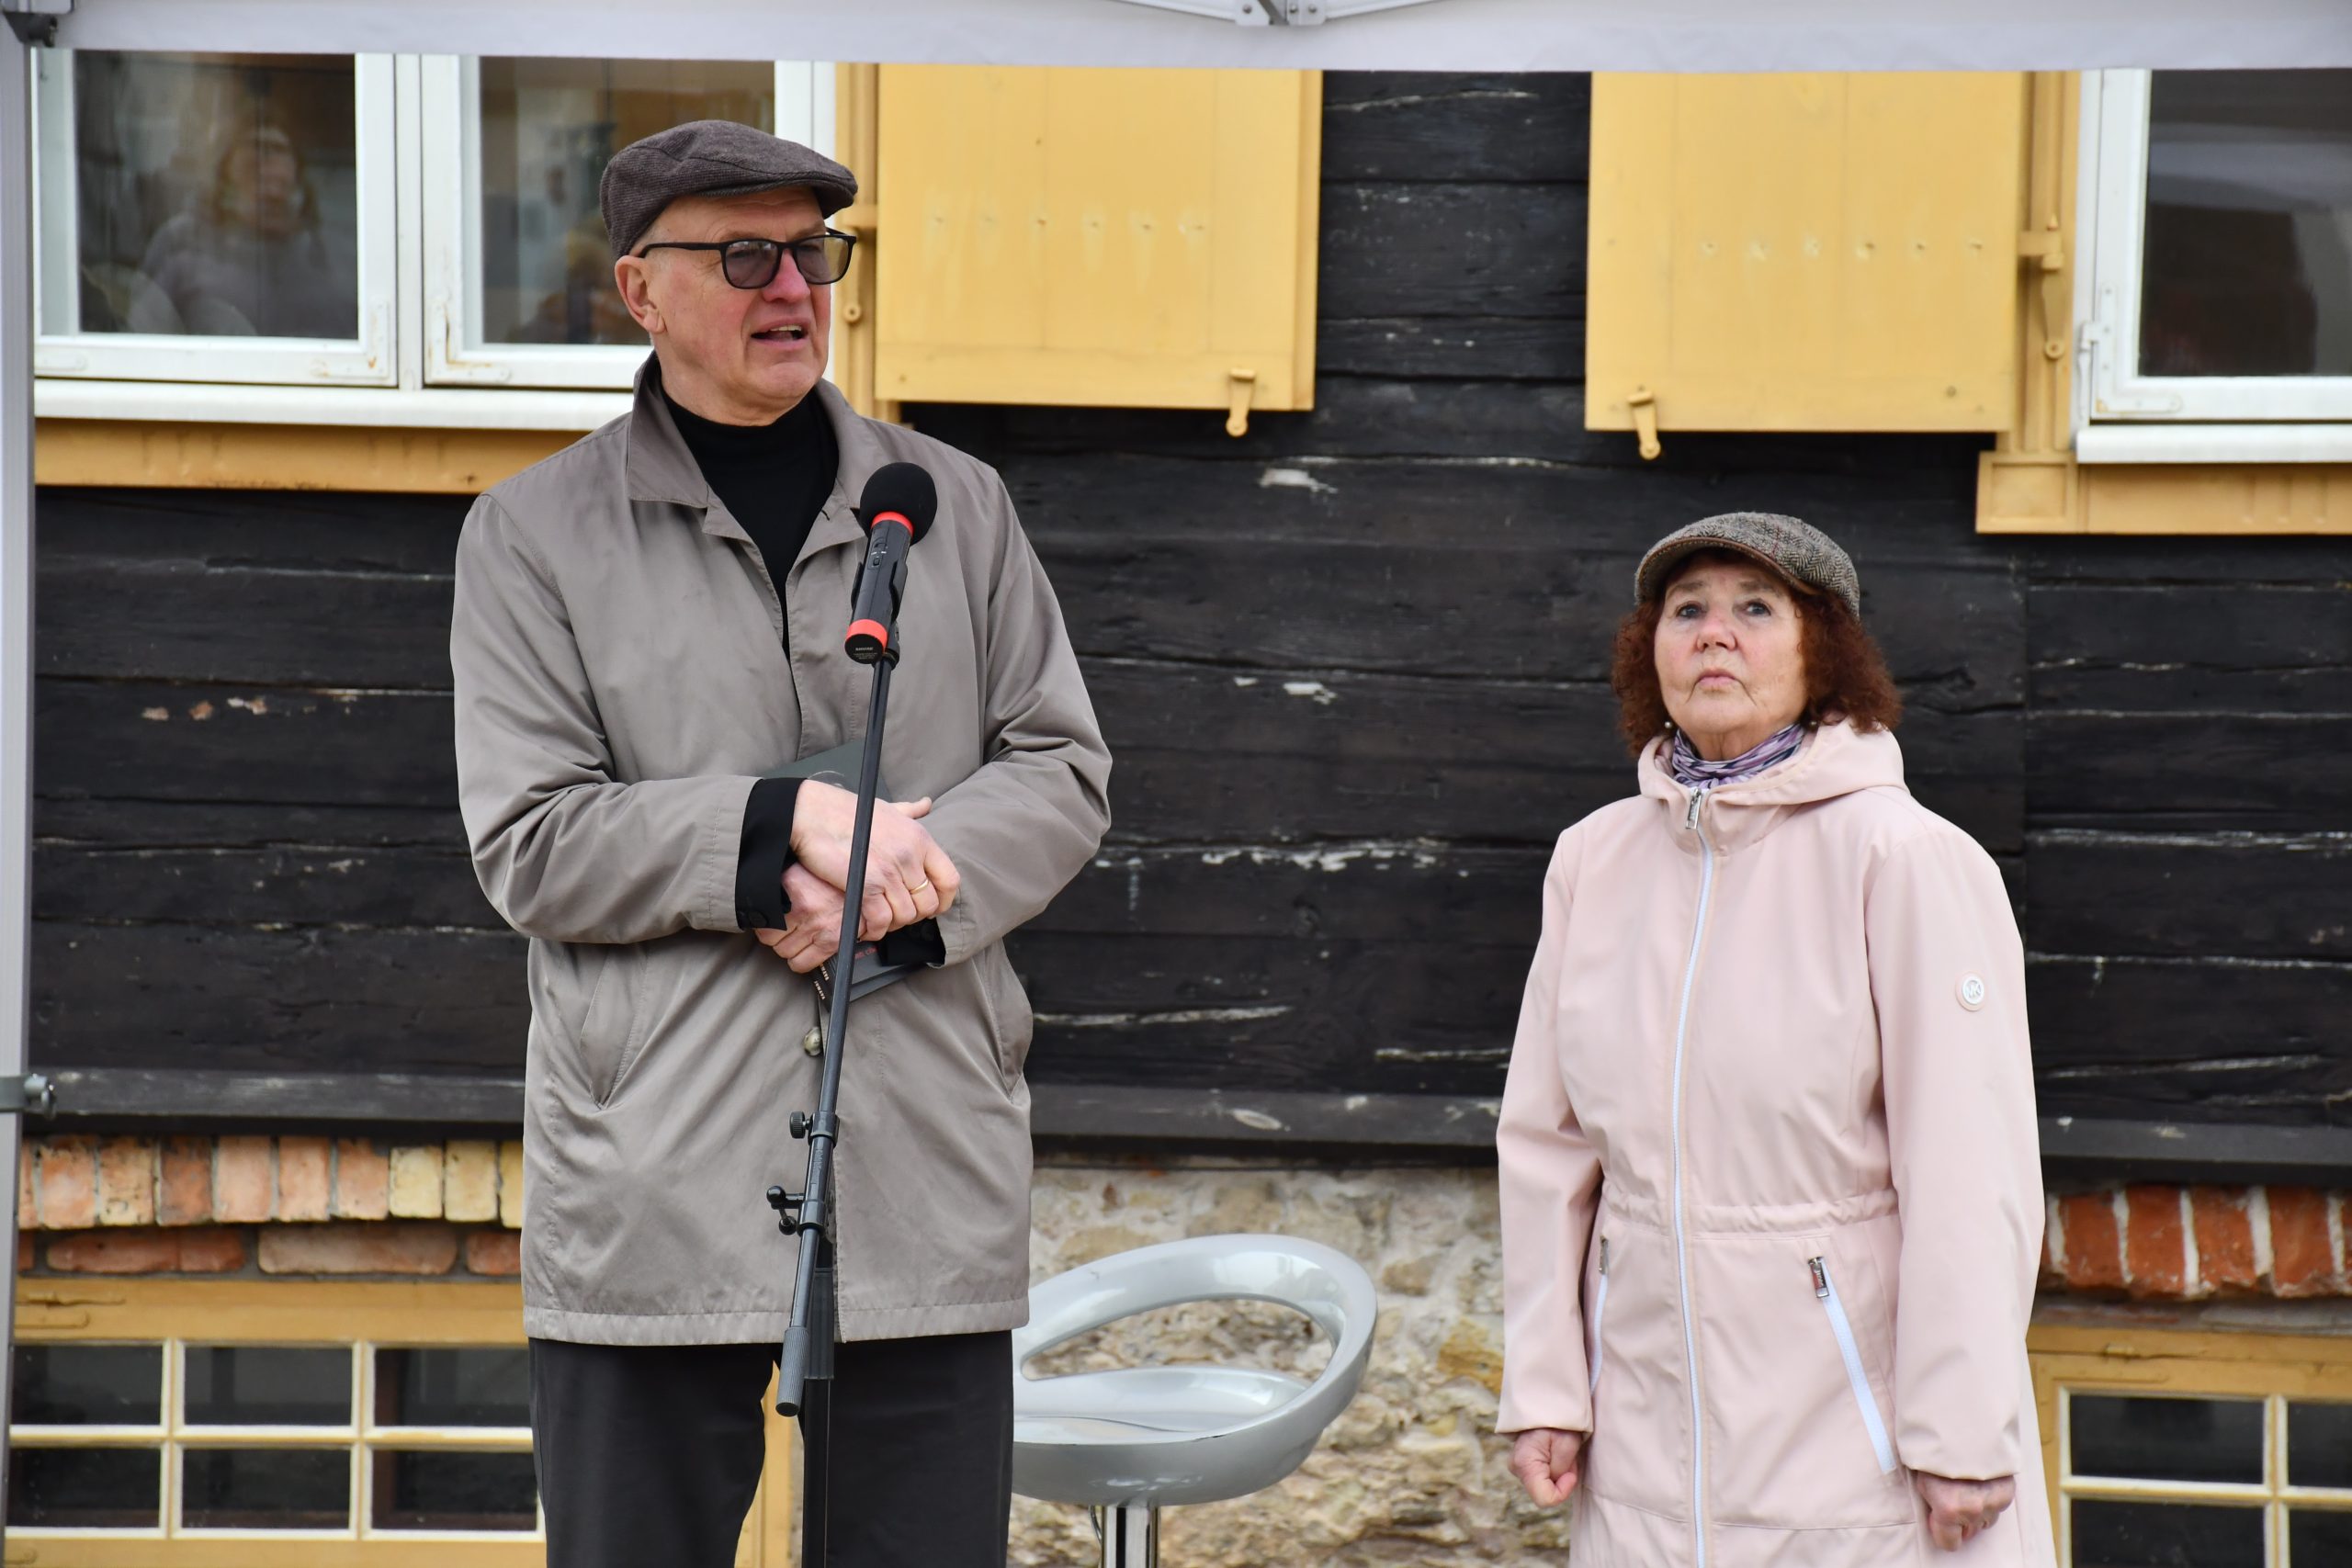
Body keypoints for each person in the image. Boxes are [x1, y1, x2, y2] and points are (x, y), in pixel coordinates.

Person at [449, 120, 1111, 1568]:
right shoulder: (533, 534)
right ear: (641, 288)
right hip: (651, 1164)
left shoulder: (951, 504)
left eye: (814, 252)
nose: (795, 287)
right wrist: (781, 821)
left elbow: (1062, 767)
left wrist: (890, 892)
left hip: (920, 1149)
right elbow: (532, 838)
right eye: (746, 256)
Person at [1494, 513, 2054, 1567]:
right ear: (1648, 651)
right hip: (1641, 1439)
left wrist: (1961, 1429)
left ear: (1822, 652)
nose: (1715, 633)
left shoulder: (1904, 857)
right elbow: (1544, 1148)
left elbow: (1968, 1165)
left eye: (1755, 608)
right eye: (1687, 610)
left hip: (1855, 1432)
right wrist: (1546, 1389)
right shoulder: (1593, 860)